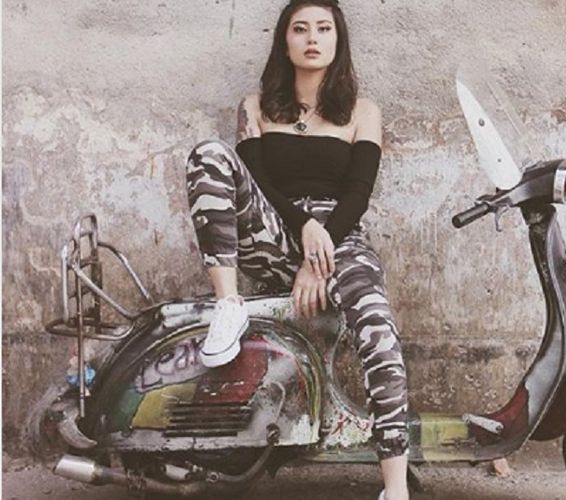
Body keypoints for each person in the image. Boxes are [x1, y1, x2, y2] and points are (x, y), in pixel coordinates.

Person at [183, 1, 409, 499]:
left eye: (323, 29)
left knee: (378, 327)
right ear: (284, 42)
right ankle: (228, 305)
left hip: (338, 236)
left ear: (337, 40)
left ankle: (395, 487)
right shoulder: (255, 106)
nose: (312, 38)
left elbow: (358, 193)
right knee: (209, 154)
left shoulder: (363, 111)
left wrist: (318, 253)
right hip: (272, 227)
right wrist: (302, 228)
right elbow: (257, 181)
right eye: (300, 29)